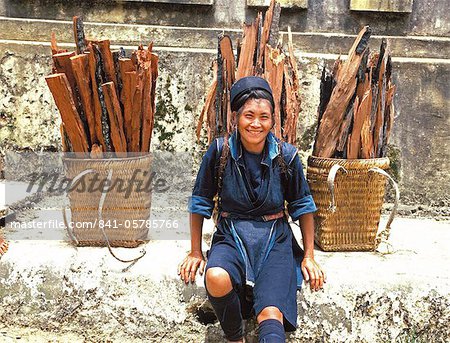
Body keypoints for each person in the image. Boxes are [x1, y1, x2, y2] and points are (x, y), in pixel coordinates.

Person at [178, 76, 326, 343]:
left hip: (274, 239)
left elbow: (303, 206)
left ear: (272, 121)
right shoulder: (220, 152)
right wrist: (196, 251)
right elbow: (199, 201)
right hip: (231, 235)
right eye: (249, 115)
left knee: (270, 313)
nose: (256, 124)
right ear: (236, 117)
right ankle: (236, 338)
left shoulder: (287, 156)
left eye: (264, 117)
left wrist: (309, 256)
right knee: (216, 276)